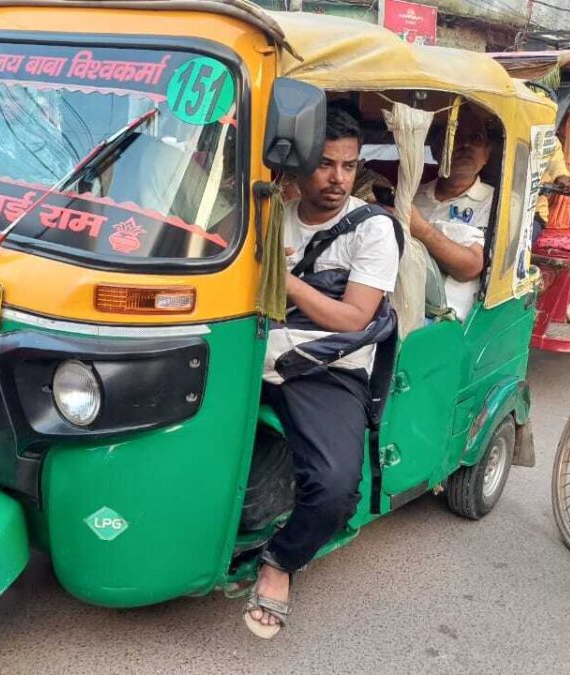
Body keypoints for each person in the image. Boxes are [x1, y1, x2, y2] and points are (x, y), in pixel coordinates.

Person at [246, 106, 401, 639]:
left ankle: (280, 561)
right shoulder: (272, 214)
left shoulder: (373, 229)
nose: (338, 178)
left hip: (325, 367)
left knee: (335, 489)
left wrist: (282, 277)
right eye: (326, 164)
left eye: (349, 166)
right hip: (253, 353)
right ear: (301, 164)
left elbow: (354, 317)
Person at [408, 108, 495, 320]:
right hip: (401, 300)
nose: (465, 145)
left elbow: (469, 268)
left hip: (450, 318)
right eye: (455, 136)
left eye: (475, 138)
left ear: (487, 153)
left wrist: (420, 229)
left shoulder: (495, 202)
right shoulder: (412, 194)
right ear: (436, 149)